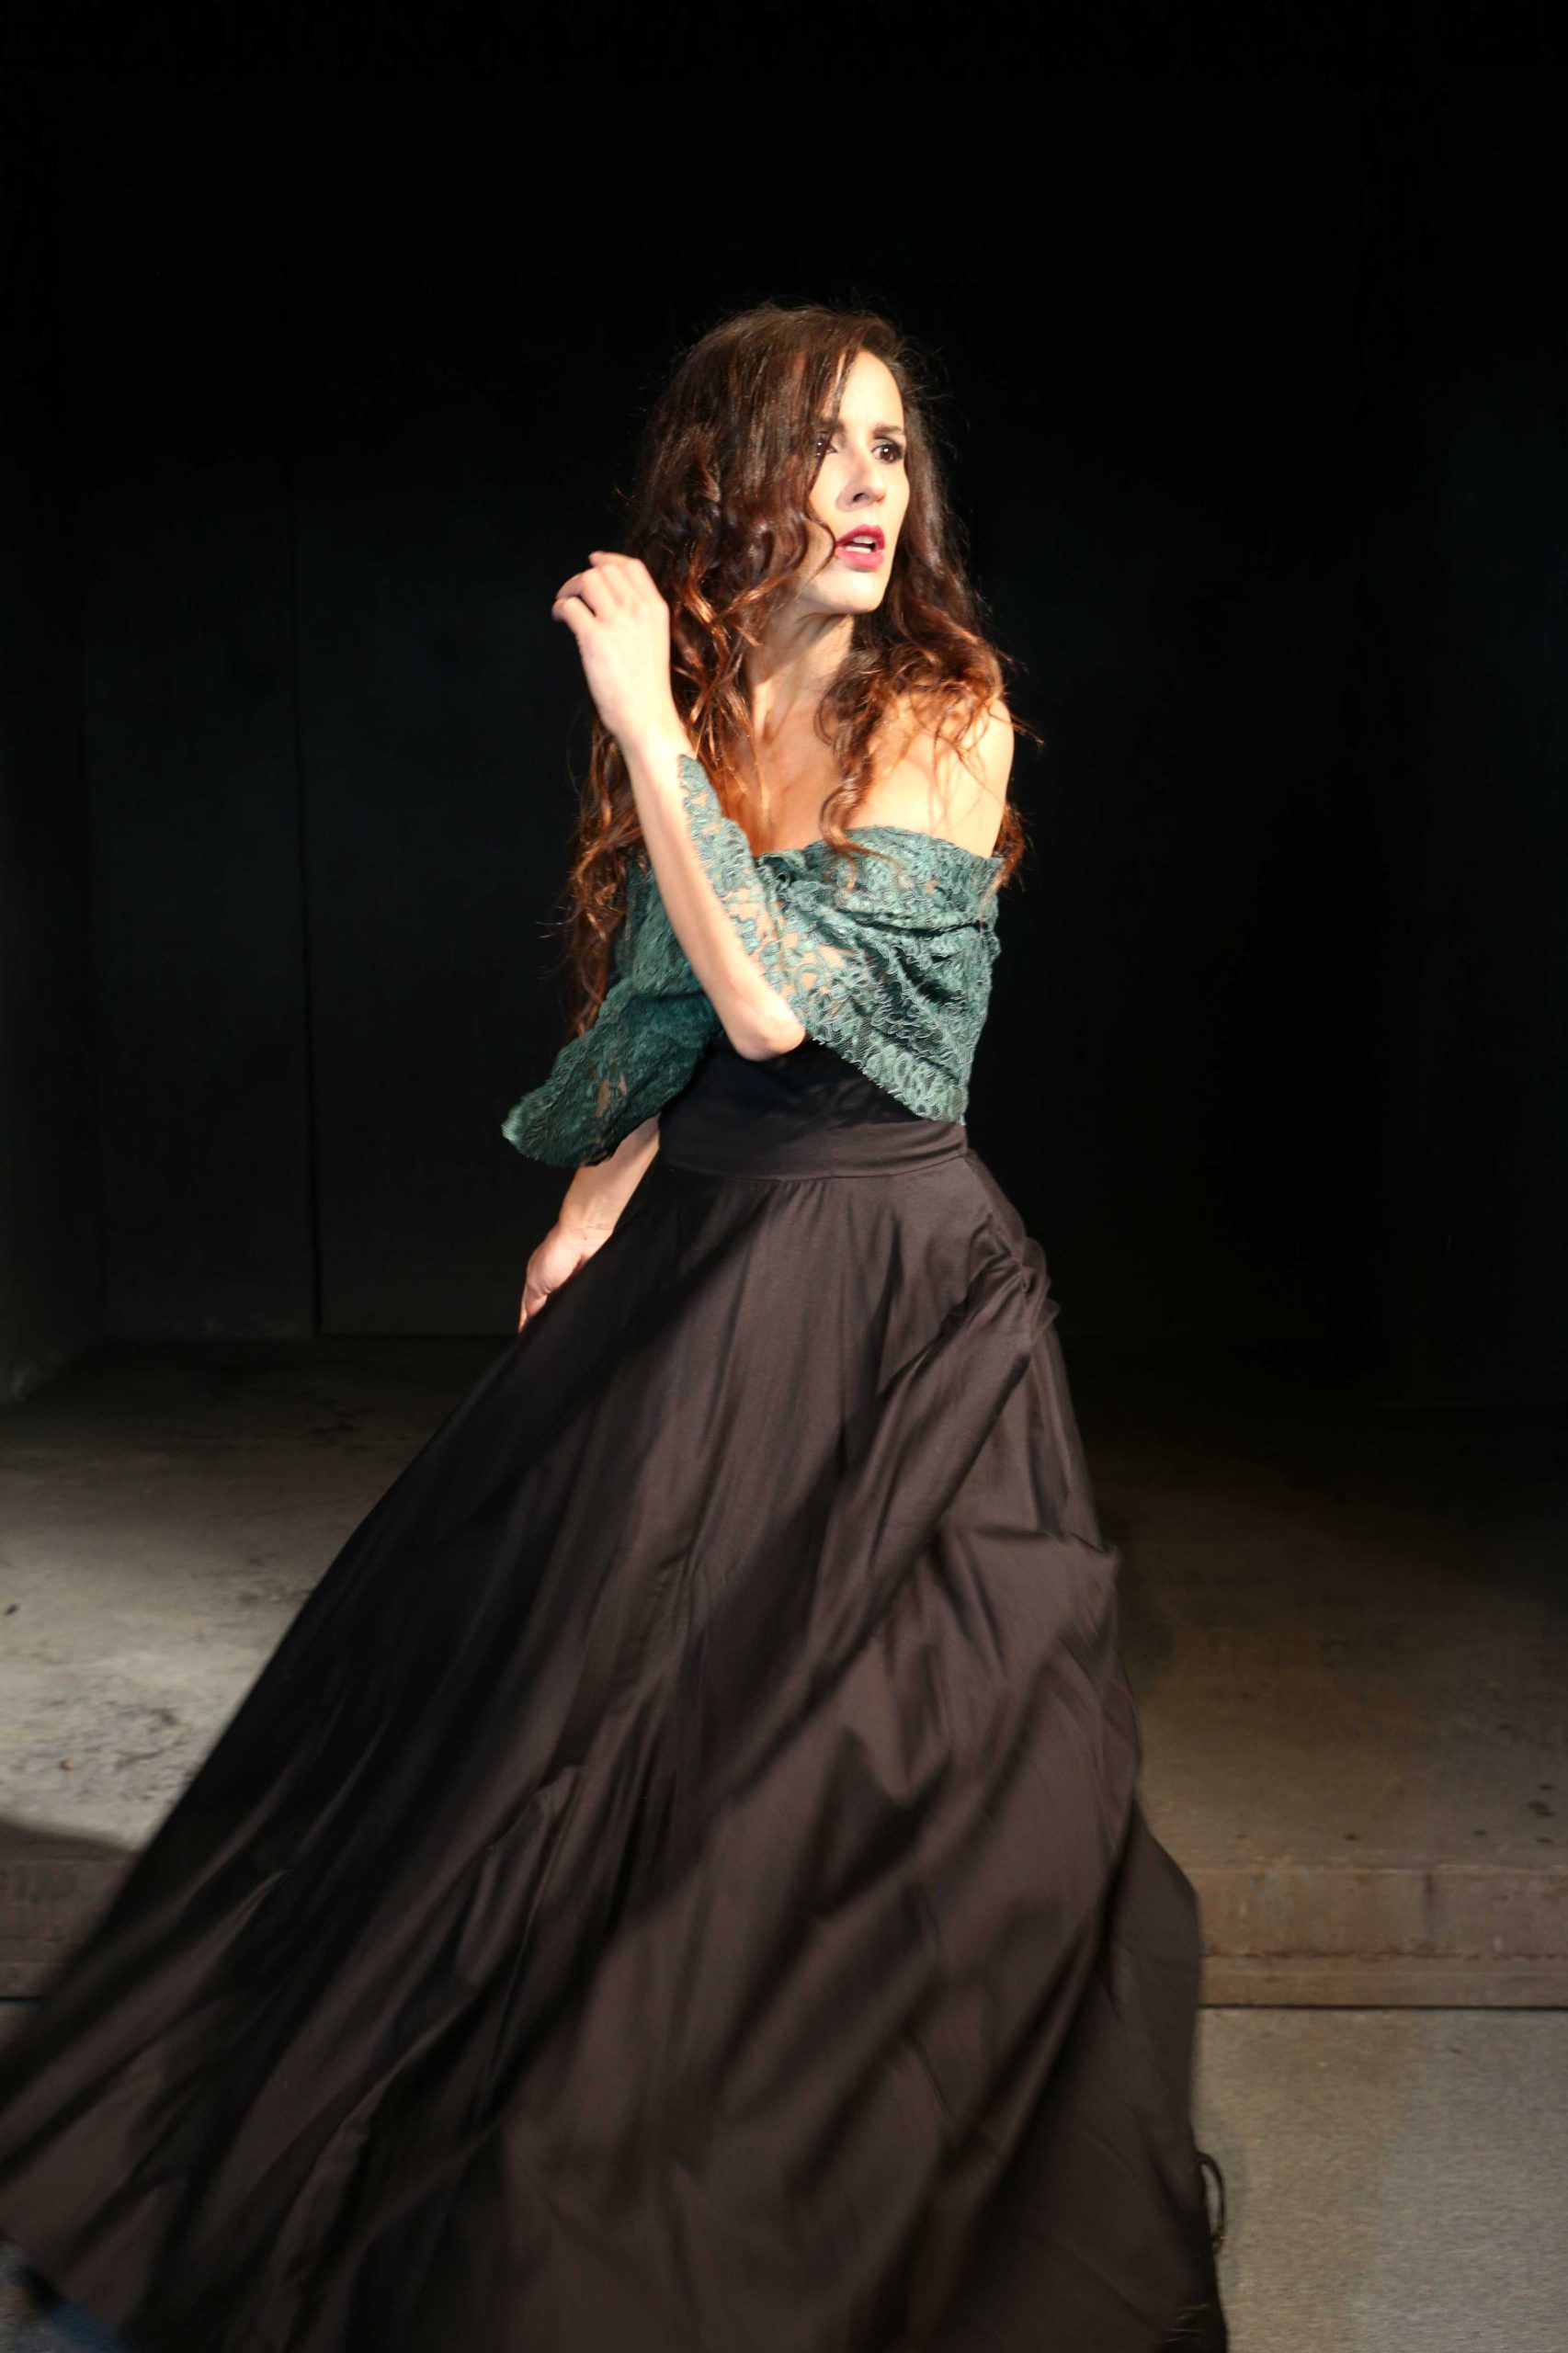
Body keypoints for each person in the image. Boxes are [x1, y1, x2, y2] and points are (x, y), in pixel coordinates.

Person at [0, 301, 1227, 2351]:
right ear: (730, 479)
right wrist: (601, 1188)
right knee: (543, 1744)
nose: (866, 488)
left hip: (894, 1301)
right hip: (706, 1265)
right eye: (823, 446)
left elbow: (787, 1007)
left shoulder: (945, 709)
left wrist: (647, 717)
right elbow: (688, 1021)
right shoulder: (722, 698)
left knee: (892, 1782)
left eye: (890, 449)